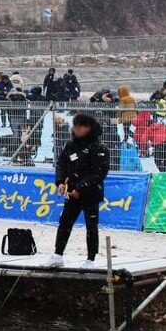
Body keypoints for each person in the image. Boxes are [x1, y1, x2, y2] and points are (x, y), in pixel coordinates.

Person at [44, 114, 109, 269]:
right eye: (76, 126)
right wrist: (60, 182)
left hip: (90, 193)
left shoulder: (99, 148)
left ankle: (91, 259)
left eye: (81, 126)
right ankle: (58, 255)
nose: (77, 129)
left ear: (89, 128)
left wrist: (80, 187)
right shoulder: (71, 145)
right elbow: (61, 164)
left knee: (91, 226)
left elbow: (99, 174)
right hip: (71, 192)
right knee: (65, 222)